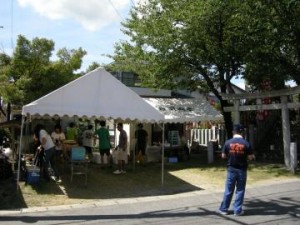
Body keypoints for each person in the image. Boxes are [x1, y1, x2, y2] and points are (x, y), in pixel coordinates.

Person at [218, 124, 255, 216]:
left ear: (233, 132)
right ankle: (237, 210)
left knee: (229, 190)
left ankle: (224, 209)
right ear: (242, 132)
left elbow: (223, 156)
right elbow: (250, 157)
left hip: (231, 169)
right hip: (242, 169)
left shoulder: (228, 142)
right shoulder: (246, 143)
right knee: (240, 190)